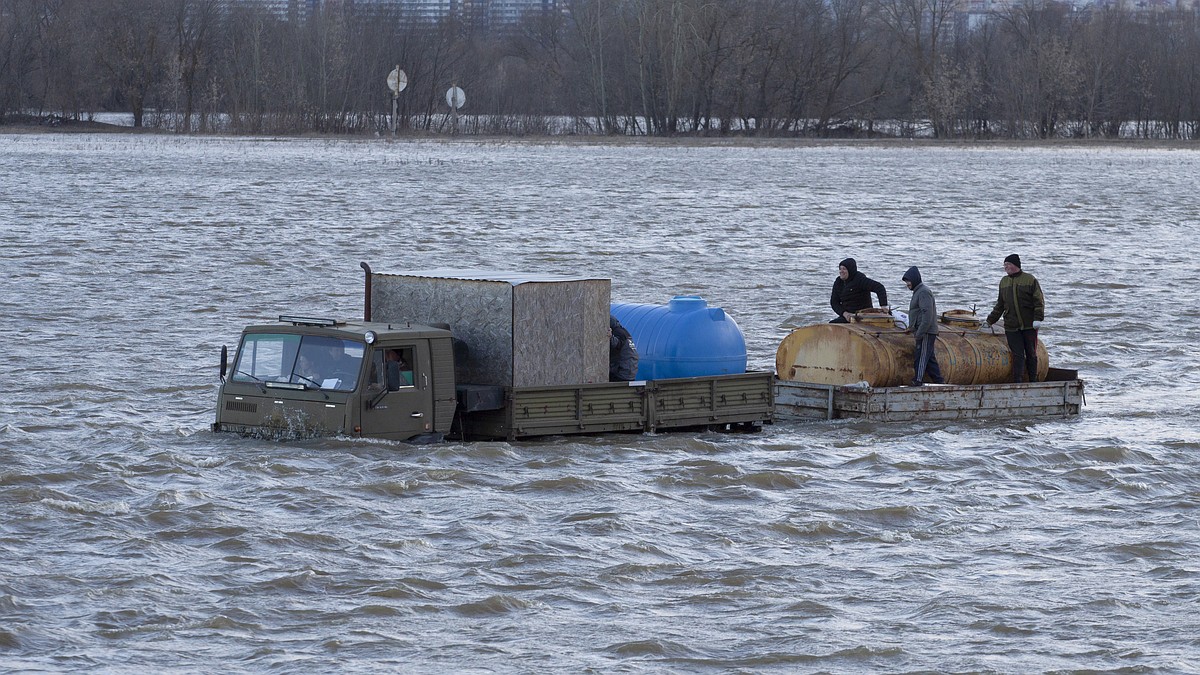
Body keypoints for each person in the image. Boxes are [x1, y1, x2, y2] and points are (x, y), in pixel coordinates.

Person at [985, 253, 1045, 383]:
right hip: (1011, 326)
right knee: (1017, 355)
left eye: (1008, 264)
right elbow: (1000, 305)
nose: (1005, 267)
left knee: (1031, 354)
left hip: (1029, 325)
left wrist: (1038, 318)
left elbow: (1039, 301)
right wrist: (989, 321)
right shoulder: (1004, 282)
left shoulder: (1030, 280)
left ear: (1015, 265)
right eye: (1004, 265)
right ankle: (1017, 381)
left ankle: (1033, 380)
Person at [902, 266, 944, 386]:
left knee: (920, 356)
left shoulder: (923, 292)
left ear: (915, 279)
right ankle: (939, 381)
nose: (907, 284)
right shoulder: (918, 291)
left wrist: (920, 332)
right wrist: (911, 327)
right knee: (929, 358)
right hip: (922, 330)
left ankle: (918, 380)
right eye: (906, 282)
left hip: (926, 331)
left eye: (908, 281)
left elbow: (927, 314)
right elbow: (917, 313)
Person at [830, 257, 888, 323]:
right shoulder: (838, 282)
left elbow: (879, 287)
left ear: (850, 270)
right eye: (840, 269)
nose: (841, 271)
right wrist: (844, 313)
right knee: (831, 324)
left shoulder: (860, 279)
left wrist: (883, 306)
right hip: (848, 316)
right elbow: (834, 302)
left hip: (864, 316)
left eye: (844, 269)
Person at [609, 315, 639, 382]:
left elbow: (616, 344)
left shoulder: (618, 332)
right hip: (630, 372)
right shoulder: (624, 332)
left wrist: (610, 337)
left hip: (622, 372)